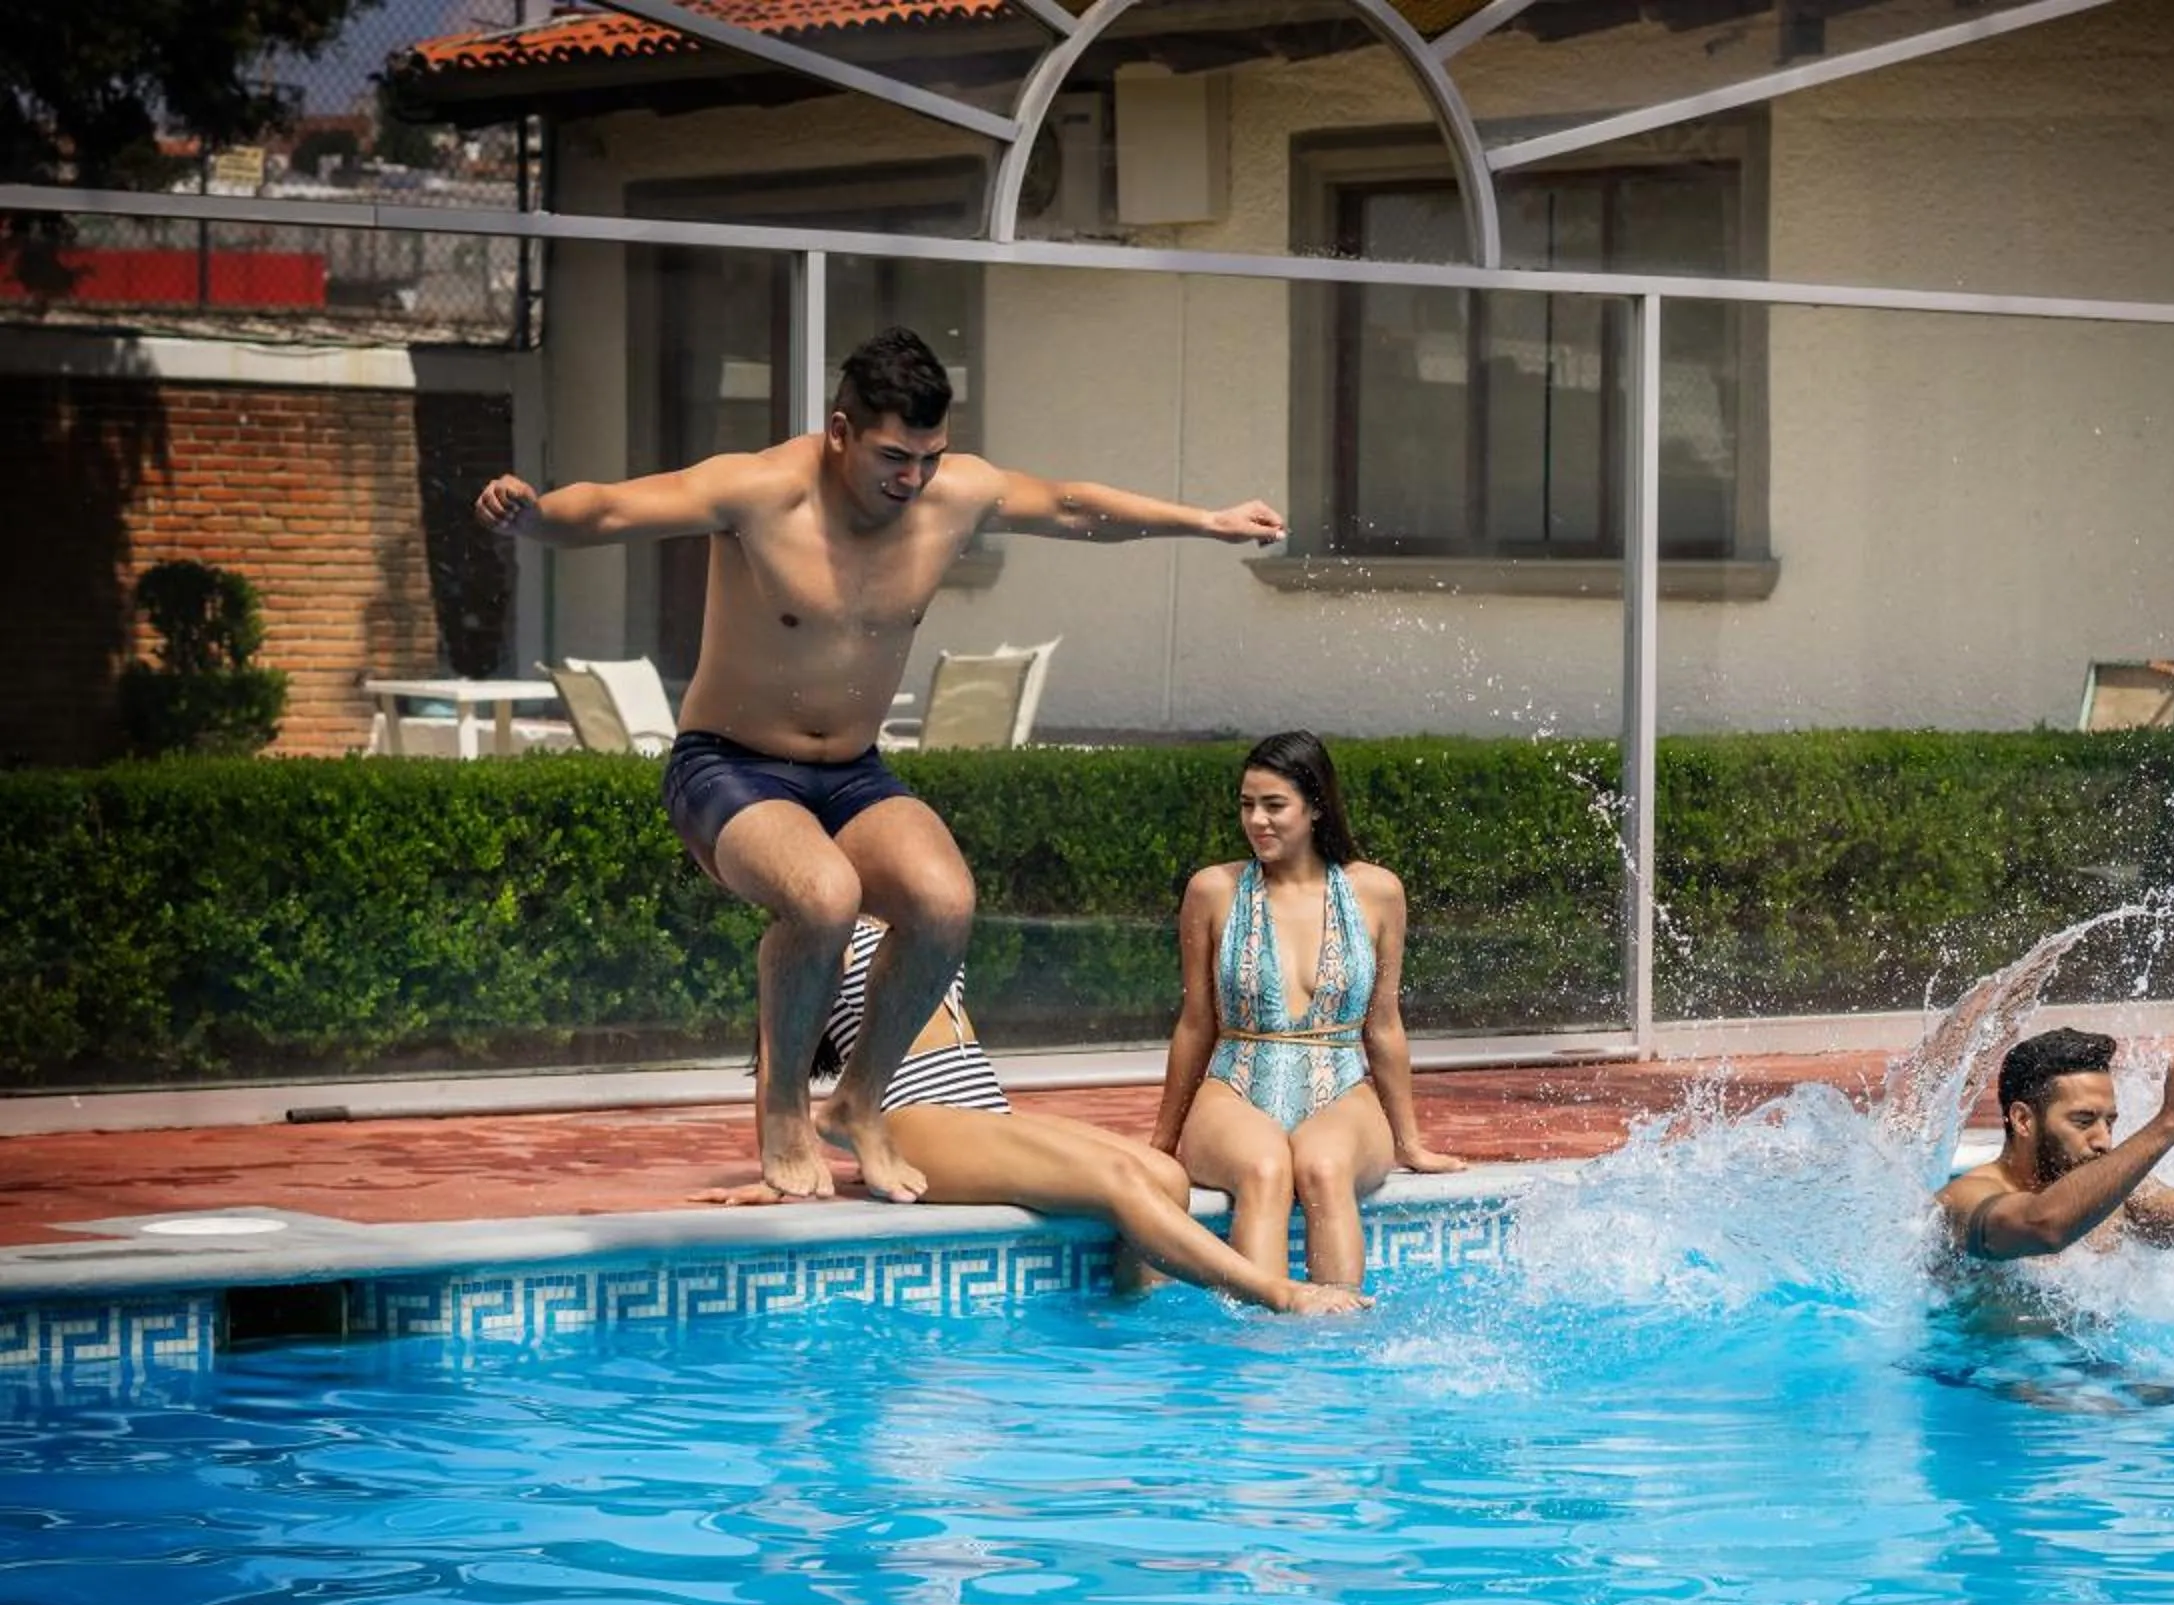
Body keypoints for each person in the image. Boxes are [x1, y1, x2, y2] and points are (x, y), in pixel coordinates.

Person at [476, 326, 1285, 1206]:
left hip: (854, 773)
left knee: (944, 904)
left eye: (930, 458)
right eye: (894, 457)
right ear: (839, 433)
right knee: (822, 896)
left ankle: (858, 1102)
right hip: (730, 769)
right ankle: (785, 1108)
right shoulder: (760, 492)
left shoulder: (952, 496)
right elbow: (616, 509)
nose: (914, 479)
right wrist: (536, 515)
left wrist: (1202, 521)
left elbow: (1068, 507)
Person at [703, 917, 1367, 1315]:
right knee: (1117, 1184)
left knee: (1163, 1175)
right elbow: (775, 1060)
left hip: (976, 1104)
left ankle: (1134, 1330)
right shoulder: (811, 934)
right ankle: (1274, 1294)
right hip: (912, 1113)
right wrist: (785, 1163)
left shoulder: (916, 916)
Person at [1151, 731, 1464, 1289]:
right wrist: (1162, 1143)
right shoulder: (1212, 891)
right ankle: (1259, 1346)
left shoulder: (1378, 892)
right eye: (1247, 805)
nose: (1257, 821)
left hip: (1341, 1084)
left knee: (1323, 1168)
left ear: (1316, 807)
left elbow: (1384, 1025)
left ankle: (1336, 1352)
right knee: (1265, 1169)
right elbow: (1197, 1022)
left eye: (1275, 806)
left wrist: (1409, 1141)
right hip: (1236, 1082)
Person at [1937, 1028, 2174, 1262]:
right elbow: (2044, 1227)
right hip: (1984, 1355)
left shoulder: (2120, 1199)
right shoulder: (1964, 1200)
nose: (2103, 1140)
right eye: (2083, 1121)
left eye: (2109, 1122)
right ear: (2023, 1120)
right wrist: (2170, 1119)